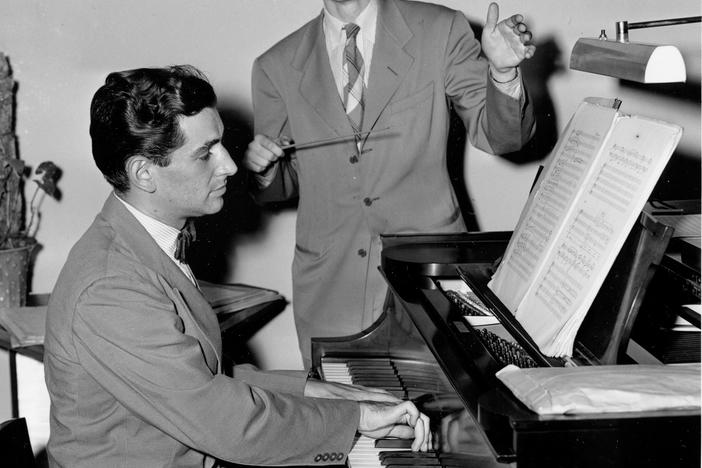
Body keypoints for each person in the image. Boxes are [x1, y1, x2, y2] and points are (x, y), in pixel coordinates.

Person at [43, 65, 431, 468]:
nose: (229, 164)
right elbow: (227, 423)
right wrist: (354, 420)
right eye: (205, 153)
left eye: (221, 145)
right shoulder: (112, 288)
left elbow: (205, 380)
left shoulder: (142, 244)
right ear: (144, 173)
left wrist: (328, 393)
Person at [244, 0, 537, 366]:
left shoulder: (440, 28)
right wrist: (264, 170)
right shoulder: (275, 66)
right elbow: (284, 182)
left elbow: (500, 137)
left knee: (454, 413)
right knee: (349, 416)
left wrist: (503, 74)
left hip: (430, 280)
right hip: (331, 292)